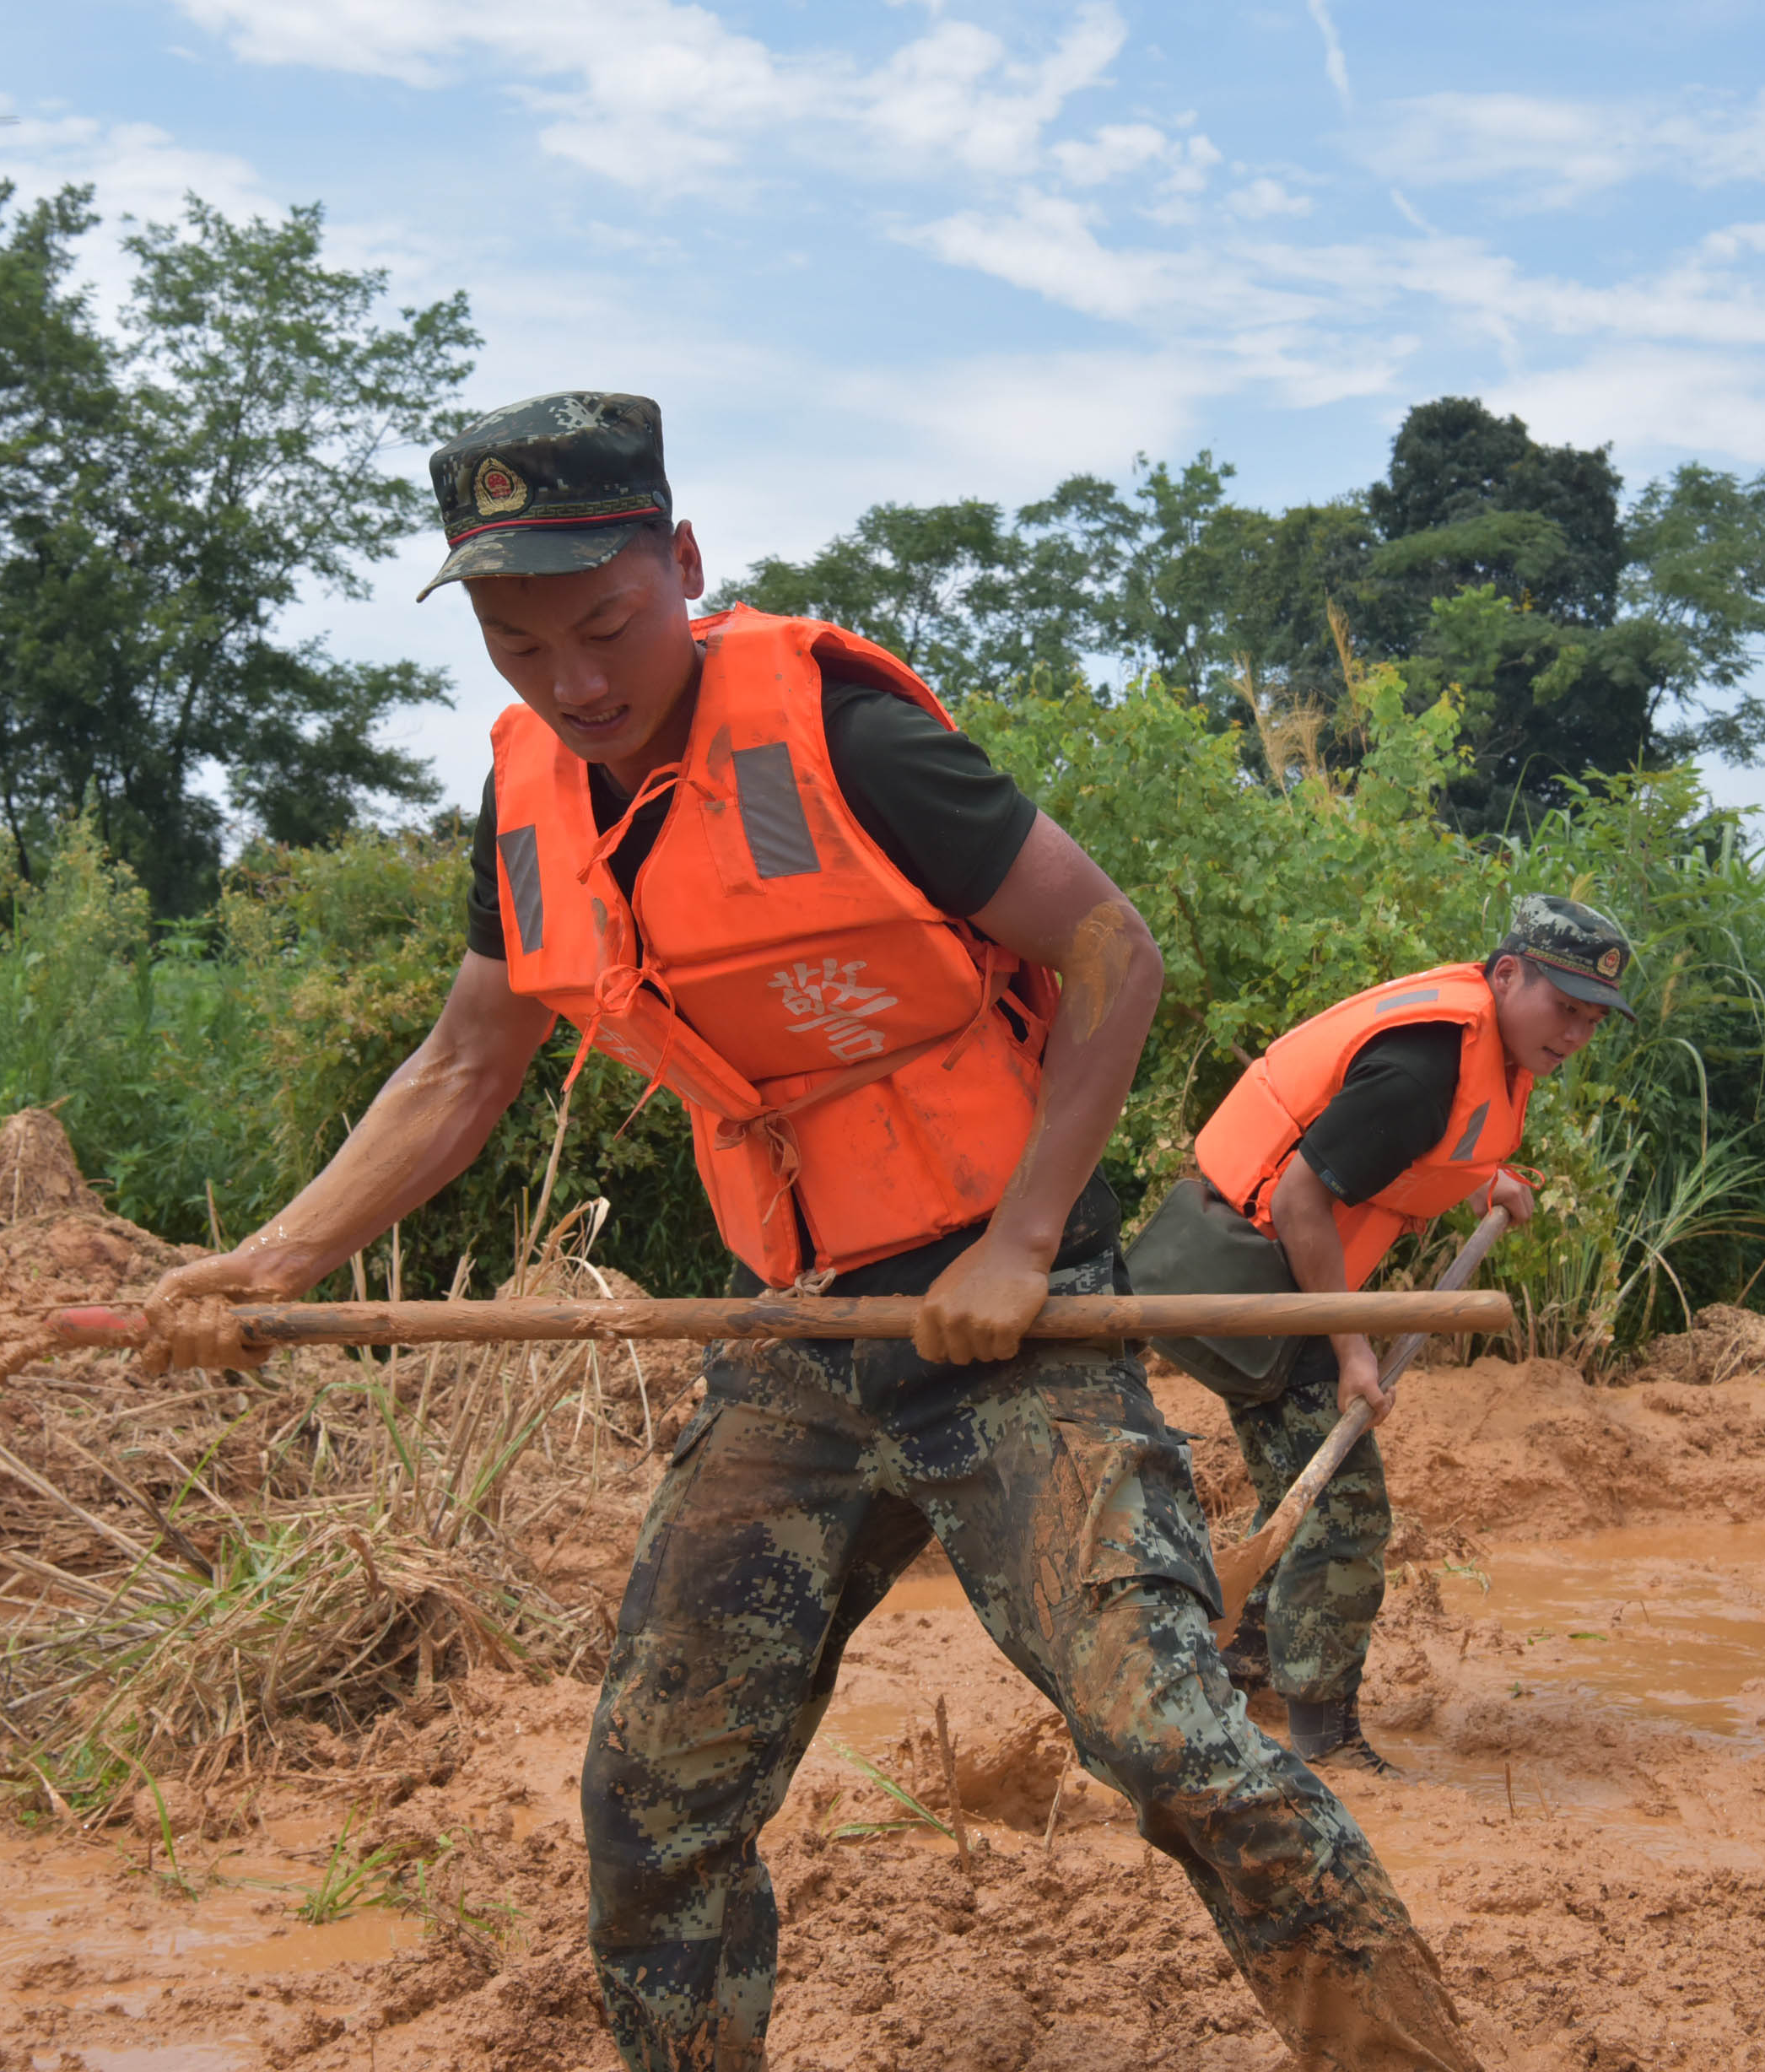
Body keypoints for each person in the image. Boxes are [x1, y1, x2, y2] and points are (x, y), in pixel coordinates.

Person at [144, 394, 1481, 2072]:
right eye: (516, 639)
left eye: (607, 625)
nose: (571, 680)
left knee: (1172, 1739)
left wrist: (1021, 1239)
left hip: (1011, 1315)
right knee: (655, 1790)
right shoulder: (530, 800)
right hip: (802, 1330)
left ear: (683, 566)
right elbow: (464, 1064)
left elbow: (1110, 954)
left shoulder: (844, 736)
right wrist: (270, 1261)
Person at [1125, 901, 1629, 1773]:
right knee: (1343, 1503)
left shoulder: (1476, 1049)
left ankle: (1245, 1661)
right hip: (1246, 1274)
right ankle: (1323, 1736)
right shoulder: (1424, 1064)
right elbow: (1298, 1199)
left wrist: (1484, 1183)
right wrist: (1353, 1348)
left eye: (1592, 1018)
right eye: (1565, 1007)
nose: (1576, 1032)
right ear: (1506, 974)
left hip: (1275, 1269)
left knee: (1302, 1483)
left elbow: (1400, 1154)